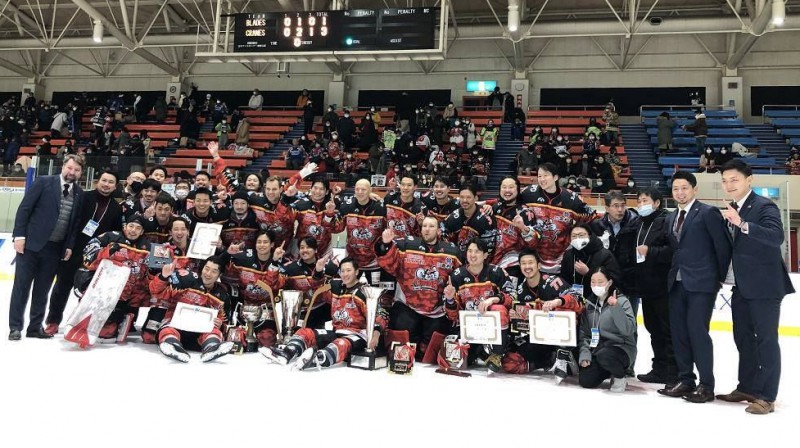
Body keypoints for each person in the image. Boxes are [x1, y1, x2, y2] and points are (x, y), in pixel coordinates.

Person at [716, 160, 794, 414]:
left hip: (765, 287)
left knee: (766, 341)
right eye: (725, 180)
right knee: (744, 339)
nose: (729, 185)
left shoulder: (763, 206)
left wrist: (742, 223)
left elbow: (776, 236)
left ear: (749, 180)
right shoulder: (733, 208)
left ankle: (767, 396)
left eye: (734, 179)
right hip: (741, 287)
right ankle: (748, 387)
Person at [658, 171, 731, 403]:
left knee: (698, 333)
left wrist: (718, 278)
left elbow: (722, 247)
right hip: (676, 282)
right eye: (676, 189)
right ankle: (685, 380)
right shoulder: (670, 217)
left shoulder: (708, 213)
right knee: (679, 333)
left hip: (702, 283)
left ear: (694, 189)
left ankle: (706, 386)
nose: (680, 193)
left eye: (684, 188)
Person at [260, 257, 389, 371]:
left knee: (341, 344)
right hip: (337, 332)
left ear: (356, 272)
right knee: (306, 332)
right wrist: (318, 271)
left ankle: (318, 358)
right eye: (342, 271)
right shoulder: (336, 287)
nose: (345, 274)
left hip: (357, 336)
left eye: (348, 270)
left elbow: (380, 315)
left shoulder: (364, 291)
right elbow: (317, 289)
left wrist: (376, 336)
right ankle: (287, 353)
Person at [9, 154, 85, 341]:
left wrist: (68, 245)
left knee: (42, 290)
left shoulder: (79, 193)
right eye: (70, 167)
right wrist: (19, 236)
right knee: (21, 287)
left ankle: (35, 327)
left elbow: (74, 224)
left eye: (76, 170)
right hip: (30, 245)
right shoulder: (44, 182)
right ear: (63, 166)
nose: (72, 172)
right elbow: (24, 209)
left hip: (54, 249)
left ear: (80, 173)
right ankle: (15, 327)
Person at [44, 170, 123, 335]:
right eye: (104, 180)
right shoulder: (84, 197)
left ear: (115, 186)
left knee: (92, 292)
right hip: (73, 250)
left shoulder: (116, 207)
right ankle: (53, 321)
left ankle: (83, 323)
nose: (106, 184)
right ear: (97, 181)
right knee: (62, 287)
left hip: (97, 257)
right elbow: (71, 222)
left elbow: (115, 234)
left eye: (110, 182)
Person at [376, 217, 462, 360]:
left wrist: (451, 298)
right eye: (425, 226)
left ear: (439, 230)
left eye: (431, 226)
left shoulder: (452, 252)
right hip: (408, 306)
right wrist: (386, 244)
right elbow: (390, 266)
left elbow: (459, 278)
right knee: (402, 349)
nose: (427, 229)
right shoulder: (406, 245)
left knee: (430, 355)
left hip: (437, 311)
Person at [501, 249, 584, 383]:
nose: (527, 267)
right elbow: (522, 325)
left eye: (530, 263)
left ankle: (563, 354)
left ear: (539, 265)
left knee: (563, 309)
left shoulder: (553, 282)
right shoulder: (520, 290)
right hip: (539, 338)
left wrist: (558, 301)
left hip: (563, 339)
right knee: (509, 362)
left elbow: (579, 300)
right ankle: (547, 360)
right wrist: (516, 316)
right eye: (523, 263)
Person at [443, 239, 515, 372]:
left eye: (477, 251)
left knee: (498, 309)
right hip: (468, 328)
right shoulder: (456, 276)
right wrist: (450, 300)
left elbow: (512, 297)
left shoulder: (497, 272)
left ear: (485, 255)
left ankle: (496, 354)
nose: (472, 255)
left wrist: (493, 299)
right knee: (459, 361)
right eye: (470, 251)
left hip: (492, 327)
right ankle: (480, 350)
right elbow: (453, 316)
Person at [632, 188, 678, 384]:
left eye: (645, 200)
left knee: (668, 330)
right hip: (646, 286)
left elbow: (674, 250)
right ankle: (658, 368)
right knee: (653, 329)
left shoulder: (667, 221)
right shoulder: (639, 223)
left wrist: (651, 251)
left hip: (663, 285)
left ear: (657, 202)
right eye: (639, 201)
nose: (642, 204)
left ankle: (674, 371)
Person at [150, 257, 235, 363]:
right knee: (167, 329)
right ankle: (173, 346)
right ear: (202, 268)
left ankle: (212, 347)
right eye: (206, 268)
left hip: (200, 338)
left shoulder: (223, 295)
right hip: (177, 329)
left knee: (215, 331)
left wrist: (221, 324)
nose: (208, 274)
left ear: (219, 275)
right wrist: (163, 277)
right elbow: (156, 292)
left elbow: (226, 323)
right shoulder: (186, 281)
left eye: (214, 271)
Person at [519, 163, 597, 274]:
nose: (541, 179)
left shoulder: (571, 198)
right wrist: (489, 204)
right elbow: (509, 200)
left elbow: (591, 216)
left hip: (562, 257)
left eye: (545, 175)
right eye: (539, 176)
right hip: (534, 255)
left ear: (555, 177)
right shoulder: (528, 193)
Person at [577, 267, 637, 392]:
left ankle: (619, 376)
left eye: (600, 282)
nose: (596, 285)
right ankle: (608, 371)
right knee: (586, 380)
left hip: (621, 349)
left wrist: (616, 308)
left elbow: (628, 330)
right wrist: (585, 355)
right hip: (598, 350)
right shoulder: (589, 304)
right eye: (593, 282)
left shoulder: (622, 301)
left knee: (606, 355)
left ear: (609, 283)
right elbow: (585, 334)